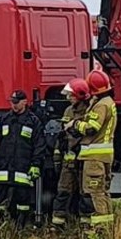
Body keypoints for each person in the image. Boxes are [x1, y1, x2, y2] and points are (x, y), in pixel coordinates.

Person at [0, 90, 44, 224]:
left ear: (25, 102)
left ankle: (21, 227)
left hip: (22, 169)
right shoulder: (5, 119)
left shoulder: (33, 121)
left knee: (22, 201)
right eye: (12, 102)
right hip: (3, 169)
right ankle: (0, 225)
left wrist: (35, 165)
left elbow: (39, 145)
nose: (14, 105)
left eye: (17, 102)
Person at [74, 70, 117, 226]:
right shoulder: (107, 102)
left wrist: (75, 124)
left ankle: (100, 228)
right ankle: (105, 226)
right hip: (101, 156)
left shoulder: (101, 105)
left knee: (95, 193)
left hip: (94, 158)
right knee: (102, 192)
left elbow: (92, 128)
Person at [51, 79, 92, 227]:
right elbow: (62, 135)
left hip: (83, 159)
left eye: (71, 95)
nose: (69, 98)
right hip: (68, 161)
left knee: (84, 193)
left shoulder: (90, 111)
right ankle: (57, 223)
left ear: (80, 95)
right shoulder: (68, 111)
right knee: (63, 191)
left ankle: (85, 223)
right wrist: (57, 153)